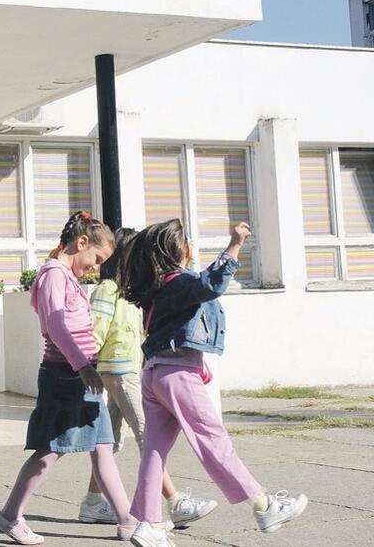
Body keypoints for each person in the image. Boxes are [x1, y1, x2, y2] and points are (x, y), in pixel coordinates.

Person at [119, 220, 306, 547]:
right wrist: (234, 245)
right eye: (186, 242)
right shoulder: (181, 282)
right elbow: (212, 284)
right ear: (180, 251)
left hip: (155, 374)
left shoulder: (158, 289)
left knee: (153, 454)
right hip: (176, 374)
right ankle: (265, 507)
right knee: (213, 441)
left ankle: (148, 525)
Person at [0, 211, 137, 545]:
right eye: (96, 258)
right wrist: (83, 367)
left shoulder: (66, 277)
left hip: (78, 376)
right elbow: (55, 326)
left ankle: (128, 520)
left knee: (103, 447)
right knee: (49, 452)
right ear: (82, 242)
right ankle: (10, 516)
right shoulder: (54, 275)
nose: (96, 267)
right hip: (65, 378)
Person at [78, 228, 217, 531]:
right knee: (148, 436)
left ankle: (92, 502)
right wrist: (86, 367)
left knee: (108, 441)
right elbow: (95, 331)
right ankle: (175, 503)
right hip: (117, 371)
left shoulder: (131, 290)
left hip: (128, 370)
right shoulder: (107, 289)